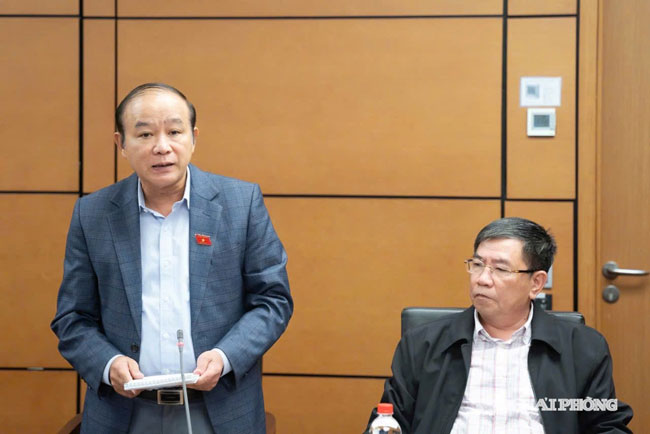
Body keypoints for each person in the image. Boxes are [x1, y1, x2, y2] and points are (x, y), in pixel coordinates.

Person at [51, 83, 293, 433]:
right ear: (121, 144)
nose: (162, 146)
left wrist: (225, 357)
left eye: (175, 131)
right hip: (124, 414)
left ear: (193, 138)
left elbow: (273, 300)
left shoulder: (241, 204)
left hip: (219, 412)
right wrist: (108, 363)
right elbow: (72, 317)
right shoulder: (93, 214)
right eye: (145, 134)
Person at [365, 217, 632, 434]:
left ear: (536, 283)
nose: (482, 279)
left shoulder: (583, 348)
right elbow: (388, 421)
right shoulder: (422, 344)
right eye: (477, 265)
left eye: (501, 269)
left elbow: (606, 425)